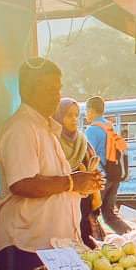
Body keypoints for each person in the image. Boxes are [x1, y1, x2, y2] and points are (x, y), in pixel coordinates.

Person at [0, 59, 103, 270]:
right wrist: (71, 182)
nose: (56, 96)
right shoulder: (21, 128)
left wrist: (82, 184)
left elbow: (53, 183)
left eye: (58, 89)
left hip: (51, 246)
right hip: (26, 246)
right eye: (49, 89)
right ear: (27, 90)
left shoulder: (44, 127)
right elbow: (22, 183)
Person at [54, 97, 104, 248]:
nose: (74, 119)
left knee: (87, 248)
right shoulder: (52, 144)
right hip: (60, 208)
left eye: (76, 115)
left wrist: (95, 184)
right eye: (69, 115)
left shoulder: (83, 143)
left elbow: (94, 169)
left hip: (84, 207)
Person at [84, 96, 130, 234]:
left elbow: (88, 156)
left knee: (89, 214)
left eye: (86, 111)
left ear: (90, 111)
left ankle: (95, 241)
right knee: (109, 215)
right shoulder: (110, 127)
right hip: (114, 175)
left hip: (100, 178)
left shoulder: (92, 130)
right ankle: (130, 235)